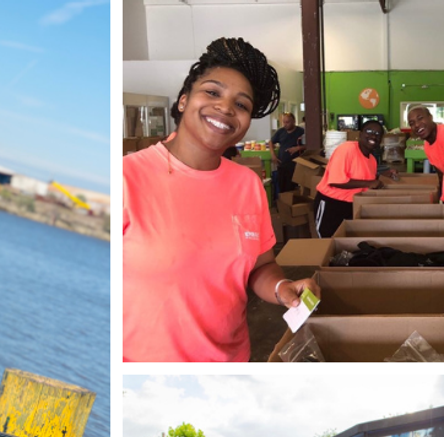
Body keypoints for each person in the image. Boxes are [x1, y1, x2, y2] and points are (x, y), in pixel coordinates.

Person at [122, 37, 320, 362]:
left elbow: (260, 265)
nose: (226, 108)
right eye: (212, 92)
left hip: (229, 363)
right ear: (184, 100)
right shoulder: (127, 178)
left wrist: (281, 286)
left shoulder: (247, 184)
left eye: (241, 105)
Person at [313, 120, 394, 237]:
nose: (373, 136)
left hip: (352, 205)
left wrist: (382, 175)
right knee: (328, 241)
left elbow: (364, 177)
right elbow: (336, 181)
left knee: (346, 242)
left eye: (377, 134)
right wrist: (369, 183)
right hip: (331, 205)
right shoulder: (347, 149)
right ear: (360, 134)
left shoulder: (372, 160)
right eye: (369, 131)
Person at [407, 105, 444, 173]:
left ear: (430, 117)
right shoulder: (427, 146)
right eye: (412, 123)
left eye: (420, 118)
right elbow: (441, 174)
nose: (416, 125)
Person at [271, 112, 304, 193]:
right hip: (282, 164)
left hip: (295, 165)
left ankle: (292, 204)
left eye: (287, 122)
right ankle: (283, 203)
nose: (285, 124)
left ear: (293, 121)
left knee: (292, 187)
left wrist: (298, 148)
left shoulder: (301, 131)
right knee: (282, 187)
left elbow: (309, 145)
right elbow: (270, 142)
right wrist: (273, 156)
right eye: (284, 122)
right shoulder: (280, 131)